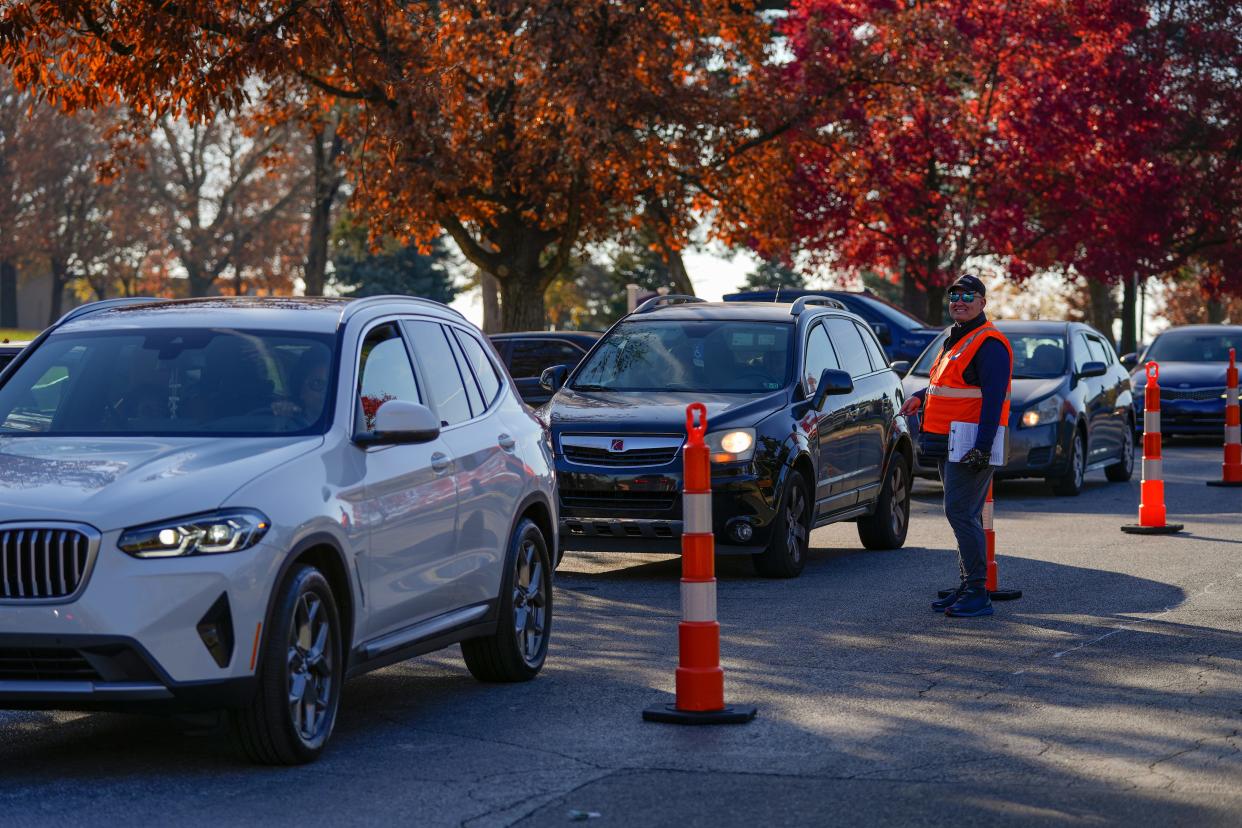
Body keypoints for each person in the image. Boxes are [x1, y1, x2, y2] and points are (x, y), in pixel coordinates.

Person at [900, 275, 1013, 618]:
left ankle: (978, 592)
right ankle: (968, 584)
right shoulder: (956, 338)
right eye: (954, 296)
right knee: (962, 514)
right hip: (948, 440)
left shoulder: (989, 343)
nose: (959, 301)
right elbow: (948, 385)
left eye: (968, 296)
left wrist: (982, 446)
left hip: (969, 443)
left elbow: (993, 400)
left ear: (982, 302)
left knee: (960, 513)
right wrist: (921, 397)